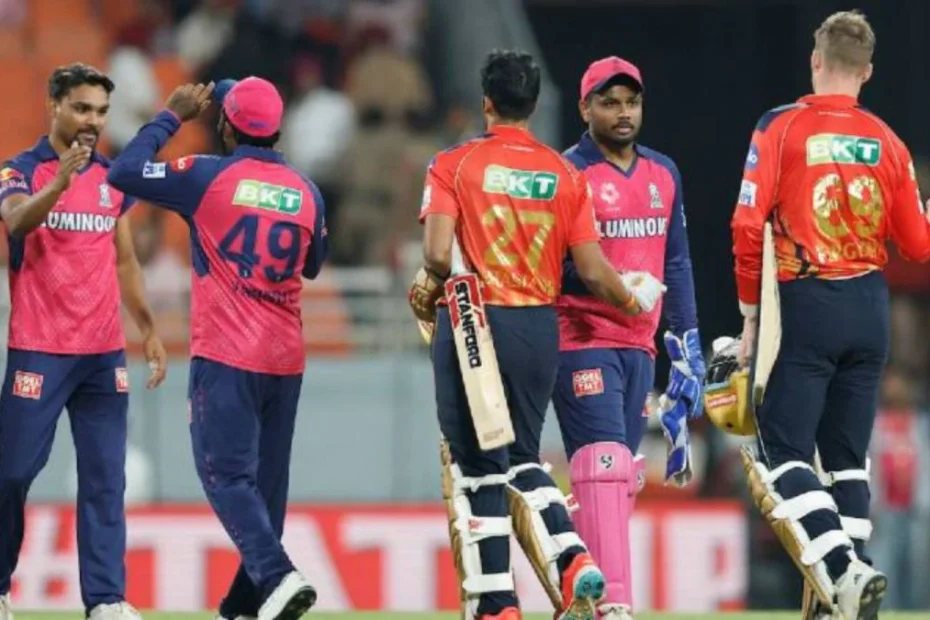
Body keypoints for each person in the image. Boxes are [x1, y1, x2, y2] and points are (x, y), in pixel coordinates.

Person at [409, 49, 661, 620]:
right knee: (523, 459)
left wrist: (426, 286)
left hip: (475, 319)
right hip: (538, 328)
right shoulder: (564, 173)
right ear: (536, 103)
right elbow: (594, 271)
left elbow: (437, 254)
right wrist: (633, 300)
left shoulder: (454, 163)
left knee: (475, 469)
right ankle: (573, 560)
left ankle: (497, 602)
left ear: (486, 103)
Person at [731, 11, 930, 620]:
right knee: (846, 460)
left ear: (815, 61)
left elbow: (745, 224)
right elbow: (918, 247)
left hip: (807, 301)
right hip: (868, 305)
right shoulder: (889, 143)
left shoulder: (782, 128)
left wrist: (748, 317)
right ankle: (834, 608)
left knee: (778, 451)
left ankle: (842, 571)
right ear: (866, 72)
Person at [106, 77, 327, 620]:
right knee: (266, 493)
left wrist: (170, 116)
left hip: (228, 353)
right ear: (276, 130)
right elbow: (312, 265)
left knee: (225, 475)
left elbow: (123, 172)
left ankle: (276, 576)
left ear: (227, 126)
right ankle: (242, 610)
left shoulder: (207, 175)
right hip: (286, 359)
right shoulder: (307, 192)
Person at [0, 63, 167, 620]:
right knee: (12, 473)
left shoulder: (113, 179)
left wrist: (147, 329)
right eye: (81, 108)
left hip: (101, 355)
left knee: (105, 480)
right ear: (54, 105)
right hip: (39, 349)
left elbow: (124, 261)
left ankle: (106, 600)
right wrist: (58, 183)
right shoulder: (19, 170)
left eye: (100, 110)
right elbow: (17, 222)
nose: (92, 120)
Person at [554, 57, 704, 620]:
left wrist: (686, 340)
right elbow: (552, 270)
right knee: (603, 465)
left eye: (631, 103)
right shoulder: (569, 175)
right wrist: (616, 285)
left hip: (639, 346)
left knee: (618, 481)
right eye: (609, 102)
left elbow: (679, 262)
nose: (622, 113)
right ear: (584, 108)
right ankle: (613, 605)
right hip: (580, 336)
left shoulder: (664, 173)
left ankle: (573, 582)